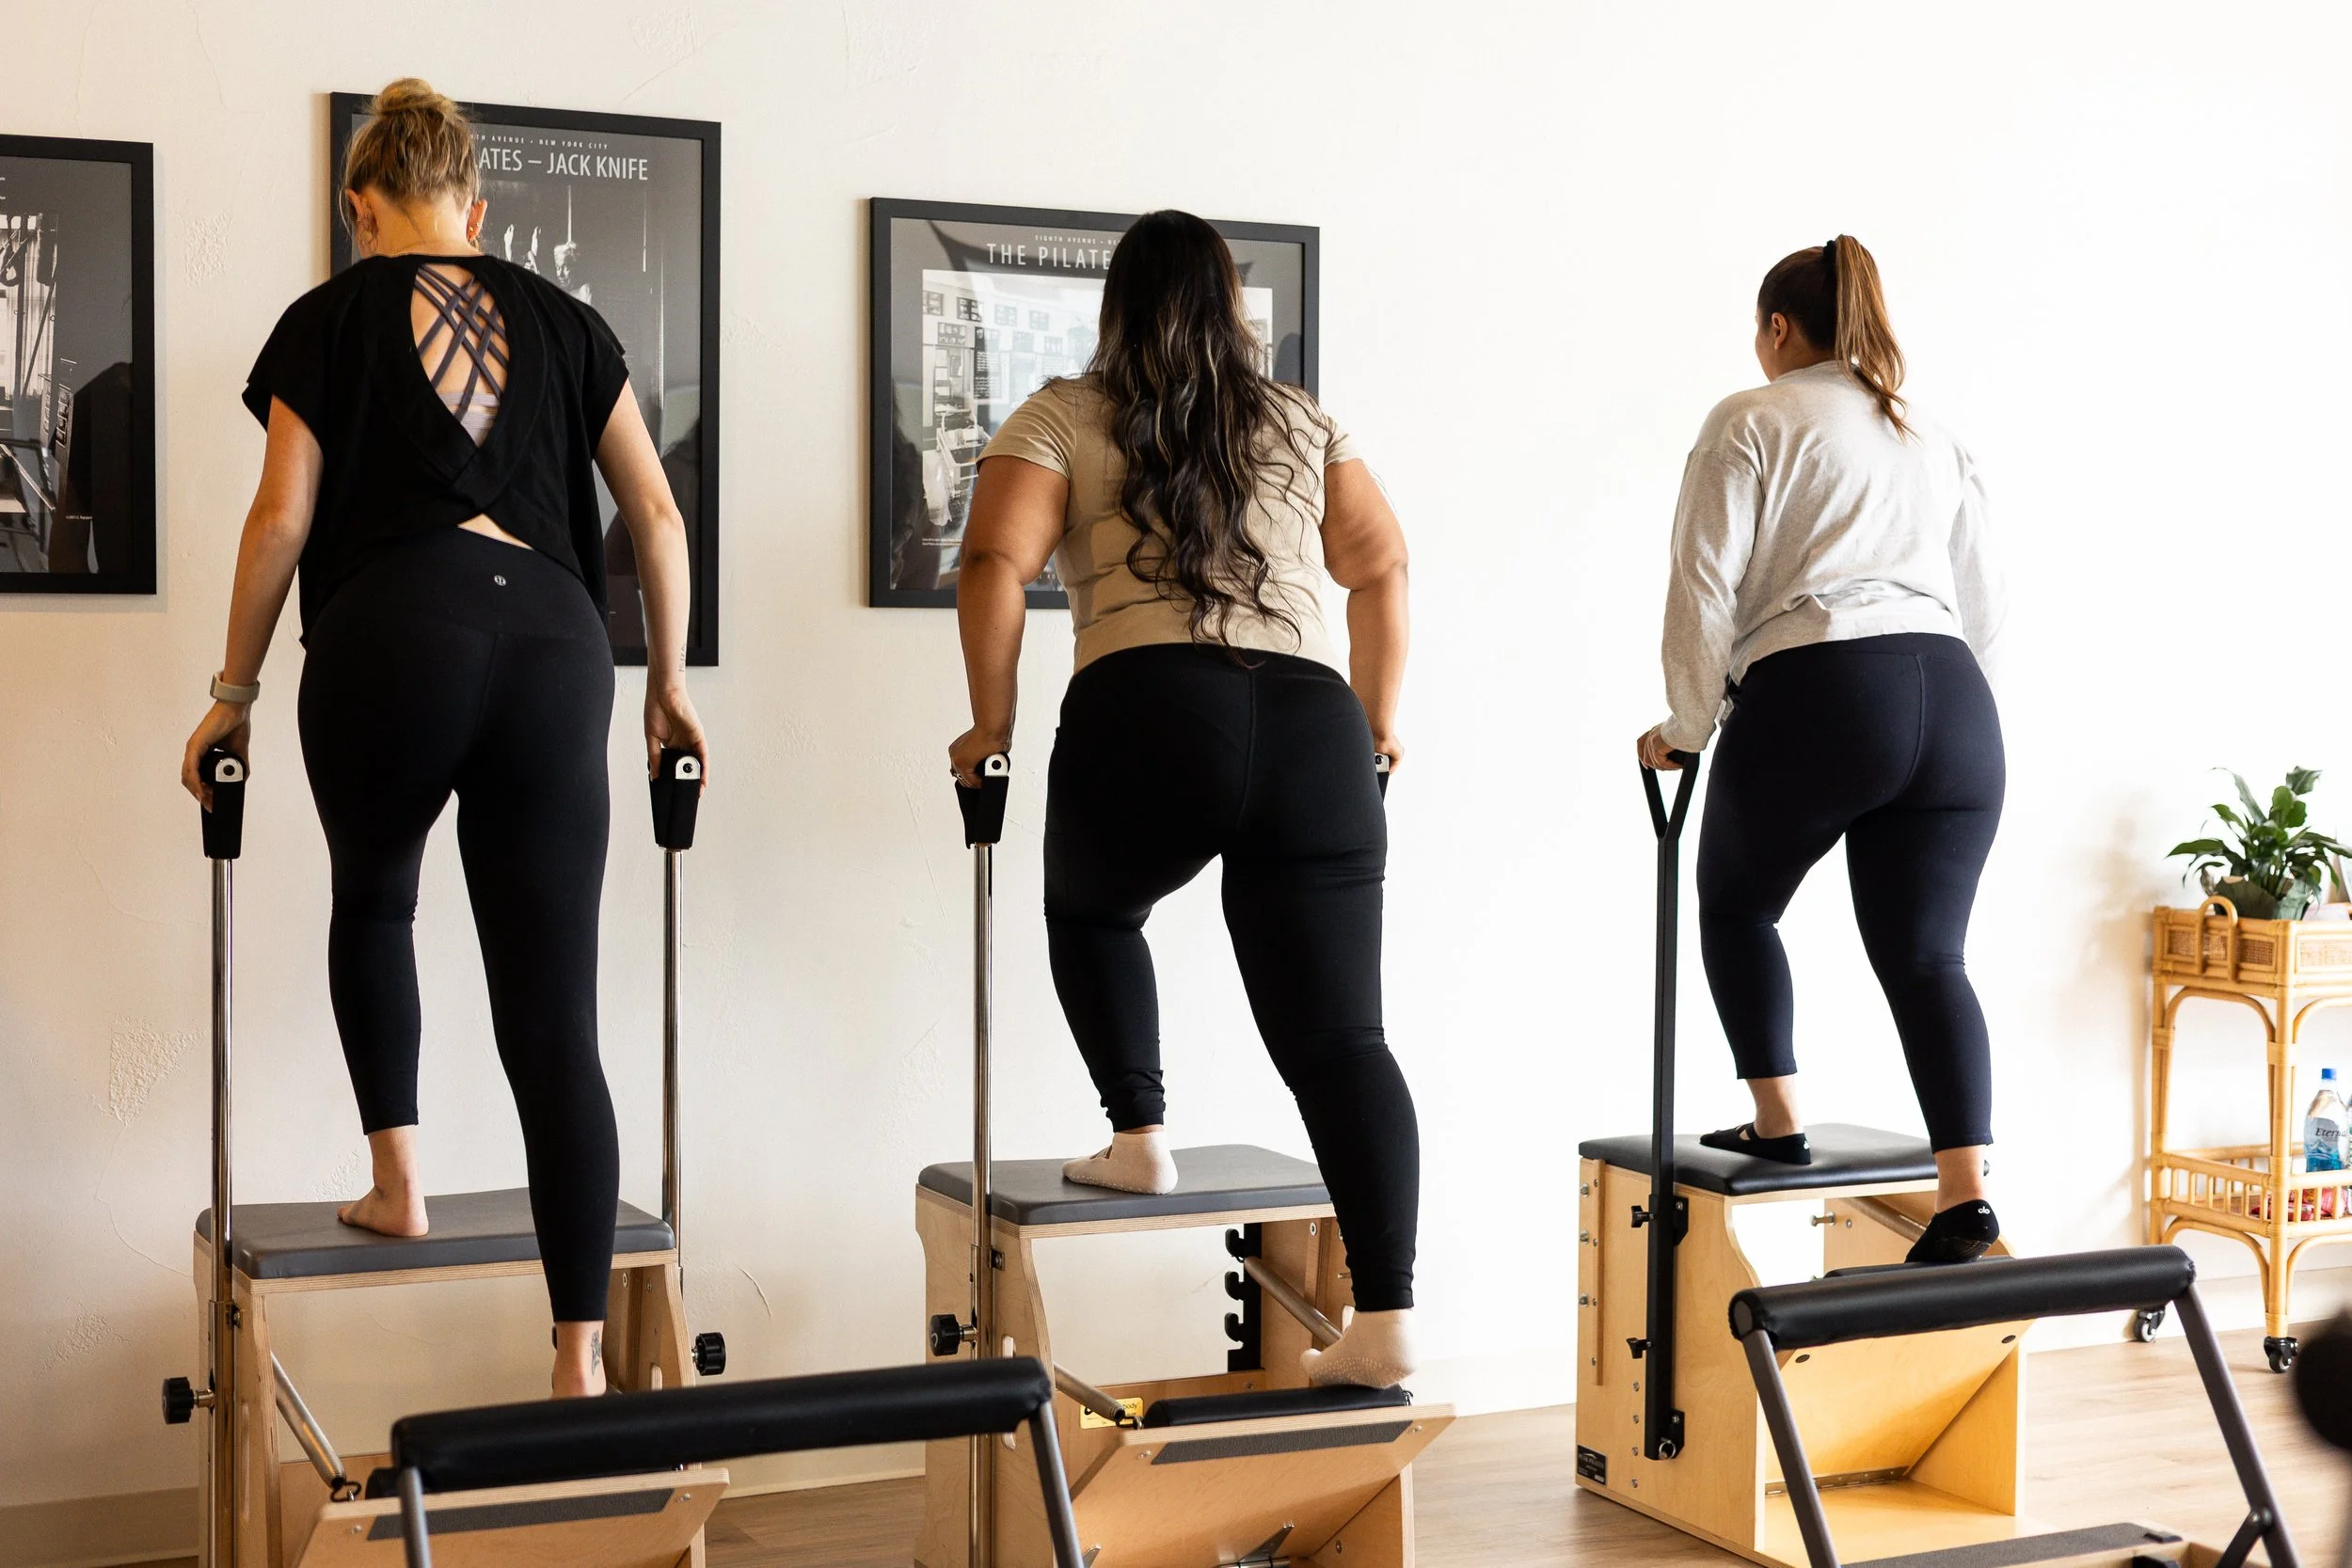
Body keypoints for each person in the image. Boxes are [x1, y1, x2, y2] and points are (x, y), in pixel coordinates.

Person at [178, 78, 707, 1397]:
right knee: (555, 1011)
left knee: (379, 898)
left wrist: (230, 691)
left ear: (364, 208)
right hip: (553, 640)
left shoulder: (330, 316)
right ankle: (580, 1356)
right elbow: (655, 511)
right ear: (475, 207)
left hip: (390, 631)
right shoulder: (570, 321)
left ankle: (397, 1181)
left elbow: (280, 523)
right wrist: (670, 686)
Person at [948, 211, 1419, 1386]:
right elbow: (1381, 563)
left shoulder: (1064, 410)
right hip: (1313, 725)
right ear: (1231, 304)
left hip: (1149, 708)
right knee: (1342, 1038)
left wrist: (989, 726)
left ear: (1117, 304)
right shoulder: (1300, 419)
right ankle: (1388, 1319)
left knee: (1096, 912)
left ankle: (1138, 1133)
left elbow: (993, 561)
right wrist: (1378, 717)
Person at [1635, 235, 2005, 1265]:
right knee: (1929, 956)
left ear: (1777, 330)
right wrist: (1936, 701)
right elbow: (1988, 603)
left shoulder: (1750, 417)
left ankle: (1777, 1119)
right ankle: (1966, 1193)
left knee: (1737, 904)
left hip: (1824, 684)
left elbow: (1702, 585)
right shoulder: (1927, 431)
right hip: (1958, 702)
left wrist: (1687, 722)